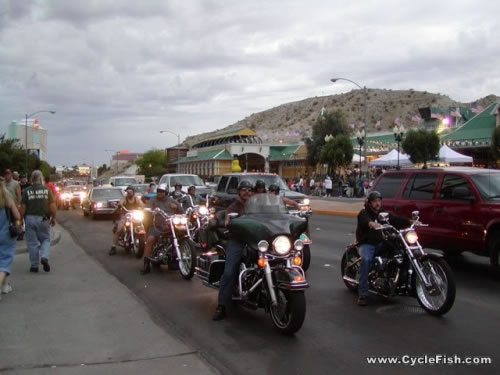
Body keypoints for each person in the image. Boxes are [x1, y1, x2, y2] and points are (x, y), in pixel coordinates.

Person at [355, 191, 416, 306]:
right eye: (375, 201)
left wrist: (409, 221)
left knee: (401, 252)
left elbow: (395, 219)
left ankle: (406, 284)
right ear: (369, 203)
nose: (378, 204)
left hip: (380, 242)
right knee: (366, 260)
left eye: (379, 201)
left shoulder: (382, 213)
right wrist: (372, 224)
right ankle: (362, 294)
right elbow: (365, 220)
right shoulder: (364, 212)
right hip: (367, 243)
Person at [213, 180, 254, 321]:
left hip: (257, 241)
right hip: (238, 240)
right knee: (229, 271)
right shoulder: (233, 207)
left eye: (249, 190)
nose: (247, 192)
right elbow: (227, 222)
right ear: (239, 192)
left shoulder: (257, 206)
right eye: (244, 189)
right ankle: (221, 306)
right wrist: (231, 222)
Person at [19, 170, 56, 273]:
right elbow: (53, 207)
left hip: (30, 219)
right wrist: (53, 218)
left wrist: (20, 220)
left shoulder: (27, 191)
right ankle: (44, 256)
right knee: (45, 239)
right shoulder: (47, 190)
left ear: (31, 179)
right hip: (43, 219)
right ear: (40, 179)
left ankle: (34, 266)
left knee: (32, 243)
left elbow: (22, 207)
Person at [141, 184, 183, 275]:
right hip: (157, 225)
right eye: (158, 191)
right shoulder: (153, 201)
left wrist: (176, 207)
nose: (159, 193)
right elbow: (146, 208)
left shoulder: (171, 200)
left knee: (182, 234)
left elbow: (181, 210)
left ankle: (175, 257)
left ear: (166, 192)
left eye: (162, 191)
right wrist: (150, 211)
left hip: (171, 225)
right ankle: (146, 264)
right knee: (150, 239)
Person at [0, 177, 22, 300]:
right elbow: (17, 216)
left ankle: (5, 286)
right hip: (6, 234)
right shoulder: (8, 199)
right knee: (4, 262)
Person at [109, 186, 144, 255]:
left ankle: (143, 243)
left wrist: (146, 208)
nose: (129, 193)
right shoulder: (124, 199)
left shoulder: (136, 199)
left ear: (133, 192)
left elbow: (142, 205)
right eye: (128, 192)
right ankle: (113, 247)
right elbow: (120, 203)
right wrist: (119, 206)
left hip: (134, 216)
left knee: (143, 225)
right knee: (119, 230)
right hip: (125, 216)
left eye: (130, 192)